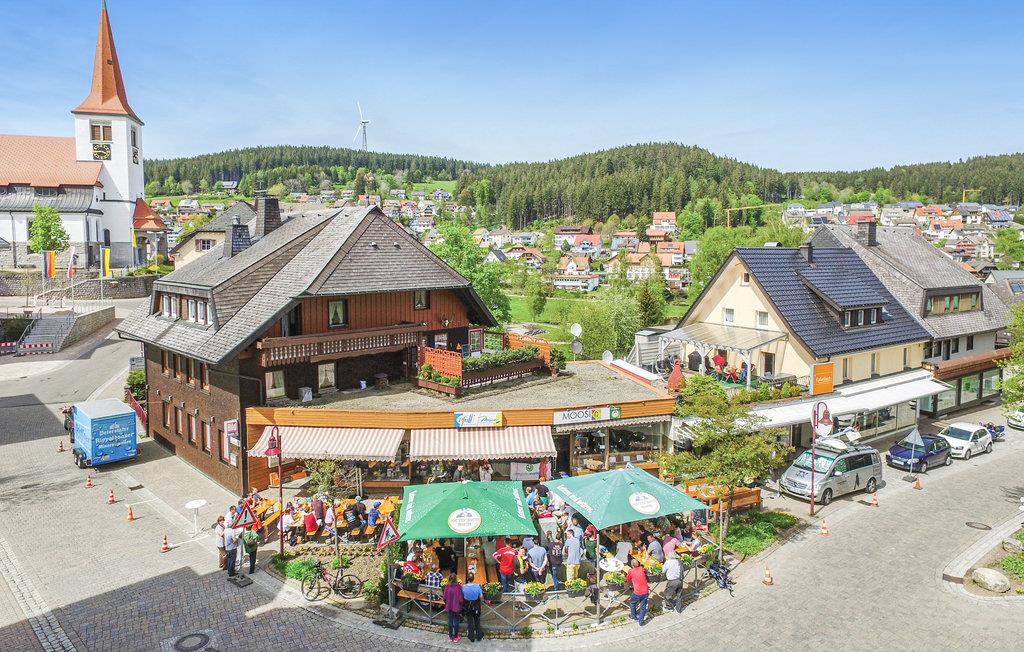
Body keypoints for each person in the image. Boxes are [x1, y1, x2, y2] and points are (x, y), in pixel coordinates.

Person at [625, 558, 650, 625]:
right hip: (645, 591)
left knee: (632, 603)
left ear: (632, 565)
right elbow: (646, 571)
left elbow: (627, 579)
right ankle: (641, 621)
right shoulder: (642, 569)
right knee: (643, 607)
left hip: (637, 592)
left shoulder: (631, 571)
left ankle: (633, 616)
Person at [442, 573, 464, 643]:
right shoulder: (459, 587)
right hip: (456, 606)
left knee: (450, 621)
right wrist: (461, 604)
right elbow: (461, 599)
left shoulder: (447, 587)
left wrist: (447, 603)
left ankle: (450, 637)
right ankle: (456, 636)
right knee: (456, 621)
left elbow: (444, 598)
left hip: (449, 606)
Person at [462, 571, 483, 642]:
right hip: (476, 606)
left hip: (467, 606)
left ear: (467, 579)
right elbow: (481, 597)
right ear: (473, 579)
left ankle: (471, 637)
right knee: (477, 620)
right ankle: (479, 636)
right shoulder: (477, 586)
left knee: (470, 621)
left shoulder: (464, 587)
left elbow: (462, 596)